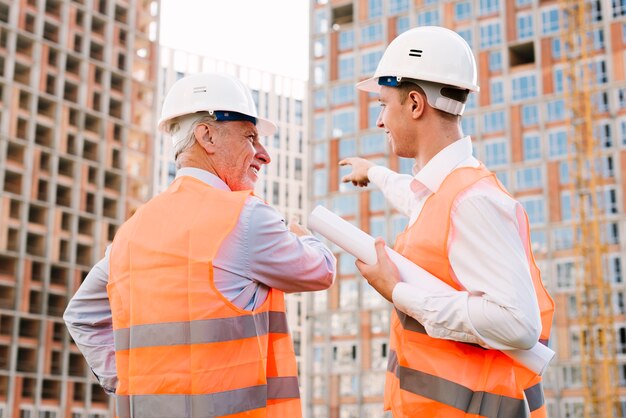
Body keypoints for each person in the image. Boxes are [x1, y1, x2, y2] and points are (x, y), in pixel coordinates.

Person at [64, 72, 336, 417]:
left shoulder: (132, 231)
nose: (263, 154)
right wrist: (306, 237)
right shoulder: (245, 216)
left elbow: (82, 314)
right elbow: (320, 271)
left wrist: (131, 380)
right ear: (206, 135)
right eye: (251, 137)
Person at [340, 26, 554, 417]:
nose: (379, 121)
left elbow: (517, 323)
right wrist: (372, 173)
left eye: (383, 105)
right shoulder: (445, 192)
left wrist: (398, 291)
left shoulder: (472, 201)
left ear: (416, 104)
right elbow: (417, 196)